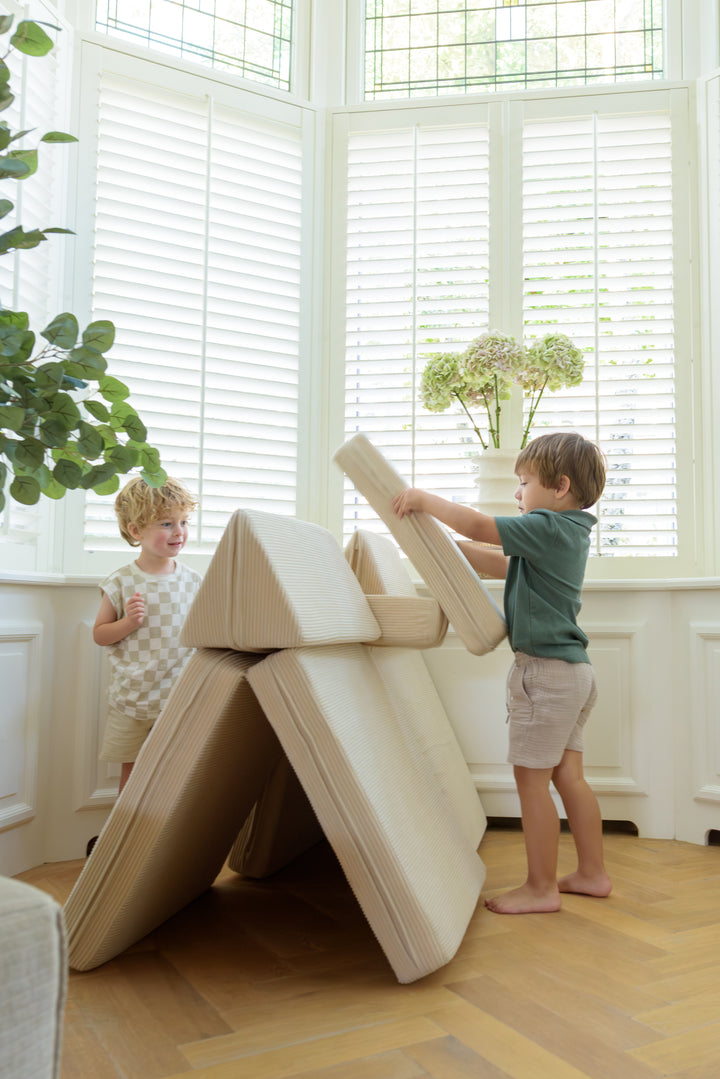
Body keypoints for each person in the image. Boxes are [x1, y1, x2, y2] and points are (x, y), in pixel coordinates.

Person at [392, 431, 611, 914]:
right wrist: (441, 548)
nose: (518, 493)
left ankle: (540, 888)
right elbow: (498, 561)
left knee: (532, 781)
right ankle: (592, 873)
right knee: (569, 777)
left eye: (524, 481)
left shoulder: (545, 524)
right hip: (575, 672)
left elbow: (479, 526)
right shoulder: (569, 532)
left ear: (559, 487)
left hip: (546, 675)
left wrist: (426, 502)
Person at [93, 475, 202, 795]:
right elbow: (100, 634)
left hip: (179, 699)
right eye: (167, 523)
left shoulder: (193, 581)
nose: (179, 531)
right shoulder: (121, 581)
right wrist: (128, 623)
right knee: (134, 772)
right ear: (136, 530)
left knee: (176, 773)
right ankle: (127, 837)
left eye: (183, 521)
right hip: (133, 699)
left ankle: (163, 837)